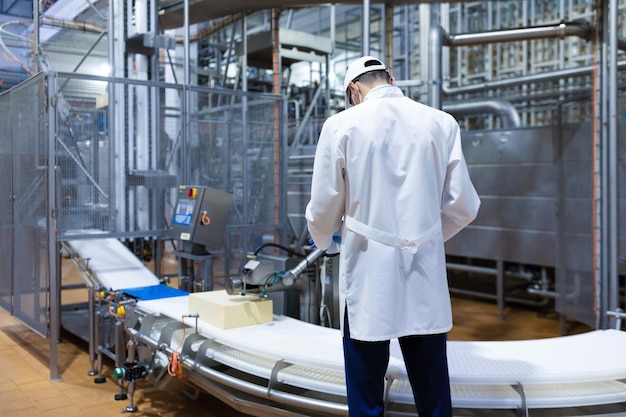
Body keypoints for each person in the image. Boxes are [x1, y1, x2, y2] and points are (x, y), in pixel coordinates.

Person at [305, 56, 481, 417]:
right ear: (391, 79)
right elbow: (464, 207)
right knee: (432, 387)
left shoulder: (340, 126)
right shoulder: (442, 123)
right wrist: (428, 238)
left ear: (353, 89)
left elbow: (324, 207)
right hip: (424, 272)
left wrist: (324, 241)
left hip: (368, 273)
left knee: (366, 384)